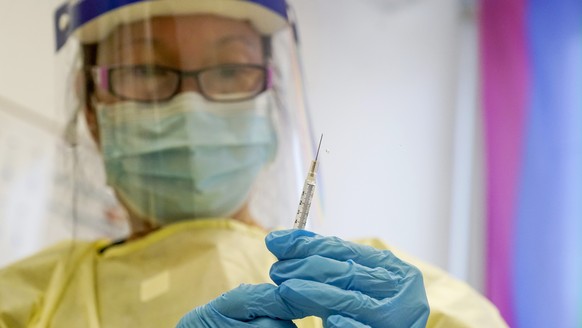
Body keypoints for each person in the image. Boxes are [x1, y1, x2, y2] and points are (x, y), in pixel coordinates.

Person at [0, 1, 507, 327]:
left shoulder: (384, 293)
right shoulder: (25, 301)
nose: (191, 104)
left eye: (230, 69)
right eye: (145, 70)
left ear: (272, 102)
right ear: (92, 112)